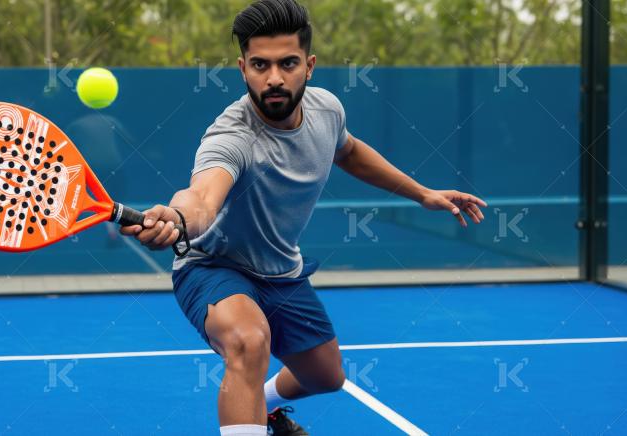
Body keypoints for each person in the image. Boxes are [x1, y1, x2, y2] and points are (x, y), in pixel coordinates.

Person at [120, 1, 487, 434]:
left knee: (326, 377)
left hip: (281, 270)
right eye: (260, 65)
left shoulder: (326, 110)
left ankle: (265, 408)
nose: (274, 78)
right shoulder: (231, 136)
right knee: (248, 341)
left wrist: (422, 193)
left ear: (309, 66)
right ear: (243, 69)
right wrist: (178, 218)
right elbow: (201, 197)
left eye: (288, 63)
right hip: (214, 265)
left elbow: (349, 151)